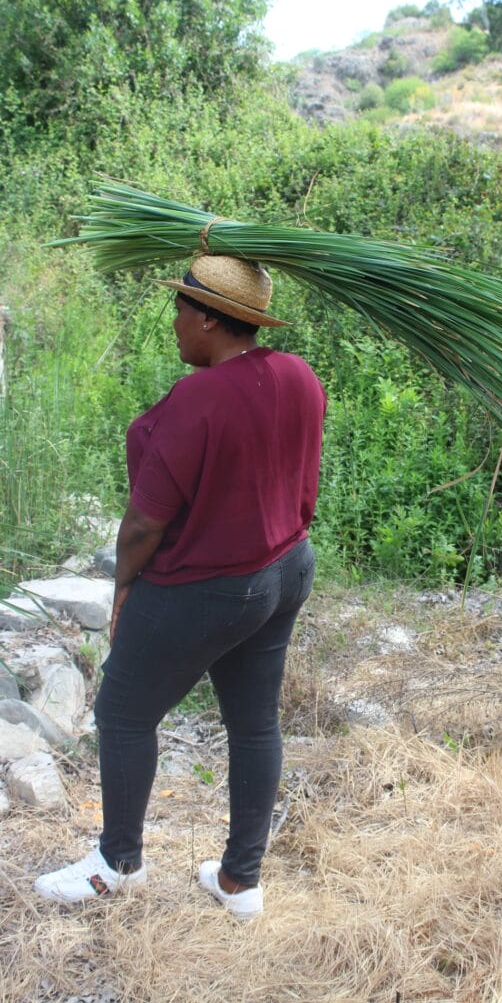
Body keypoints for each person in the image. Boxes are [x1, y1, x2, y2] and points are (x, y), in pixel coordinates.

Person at [33, 254, 327, 918]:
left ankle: (117, 865)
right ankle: (239, 882)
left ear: (205, 319)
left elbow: (143, 523)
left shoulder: (198, 398)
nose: (173, 324)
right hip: (285, 568)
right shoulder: (296, 374)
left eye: (178, 310)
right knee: (253, 724)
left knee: (124, 712)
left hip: (212, 586)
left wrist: (124, 591)